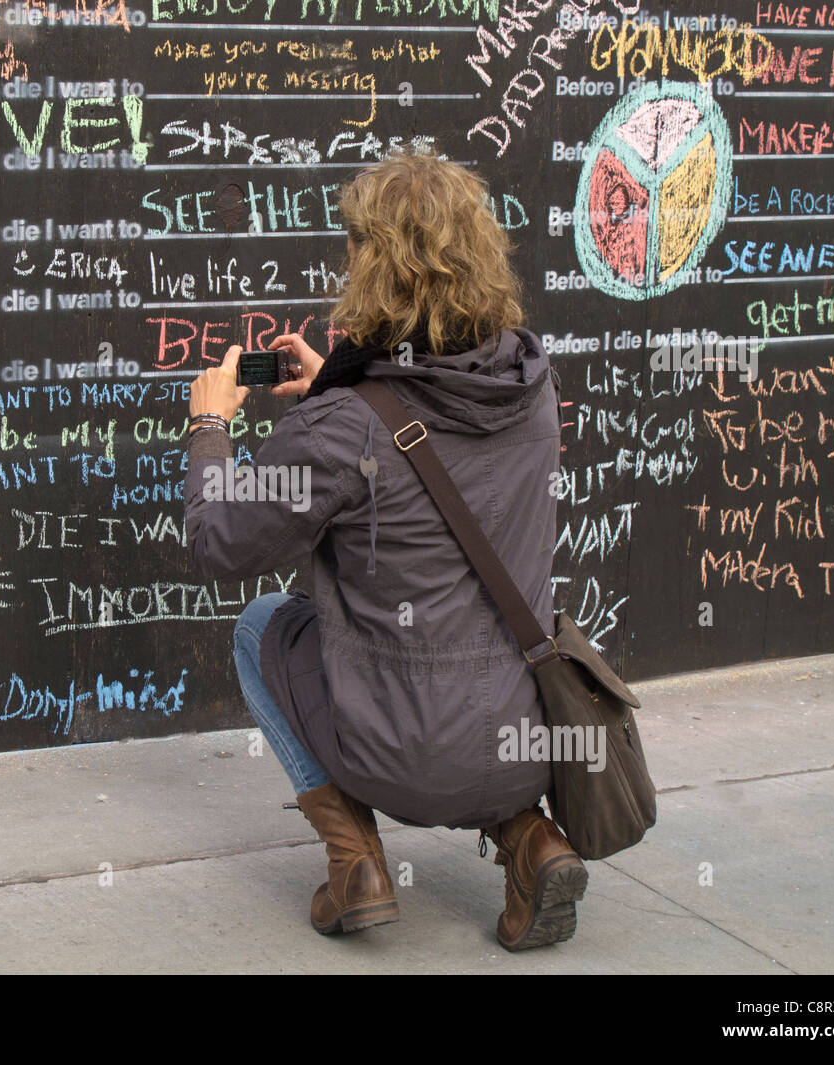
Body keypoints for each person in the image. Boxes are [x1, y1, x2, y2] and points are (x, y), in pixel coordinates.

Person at [182, 149, 586, 951]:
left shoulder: (347, 427)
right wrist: (340, 380)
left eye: (354, 244)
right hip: (531, 743)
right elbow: (434, 416)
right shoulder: (531, 383)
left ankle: (356, 861)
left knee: (263, 623)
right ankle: (533, 836)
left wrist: (210, 425)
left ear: (378, 264)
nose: (345, 260)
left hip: (402, 754)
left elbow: (220, 541)